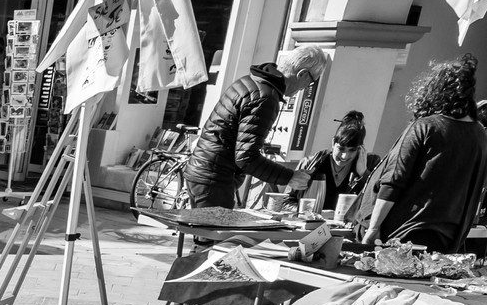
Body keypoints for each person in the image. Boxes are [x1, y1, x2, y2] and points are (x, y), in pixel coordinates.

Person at [360, 55, 487, 253]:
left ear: (436, 92)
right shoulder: (480, 134)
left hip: (403, 235)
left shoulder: (425, 127)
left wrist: (373, 228)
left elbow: (393, 181)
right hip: (448, 239)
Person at [182, 44, 329, 209]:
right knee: (212, 234)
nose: (305, 88)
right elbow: (246, 157)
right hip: (214, 178)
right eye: (310, 83)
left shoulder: (250, 81)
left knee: (202, 231)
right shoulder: (266, 98)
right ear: (302, 74)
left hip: (203, 171)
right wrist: (289, 177)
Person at [300, 110, 373, 210]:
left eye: (352, 150)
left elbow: (375, 200)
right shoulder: (311, 163)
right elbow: (287, 201)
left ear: (360, 149)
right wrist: (305, 213)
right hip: (310, 223)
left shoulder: (370, 164)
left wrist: (363, 174)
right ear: (333, 142)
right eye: (341, 148)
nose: (344, 156)